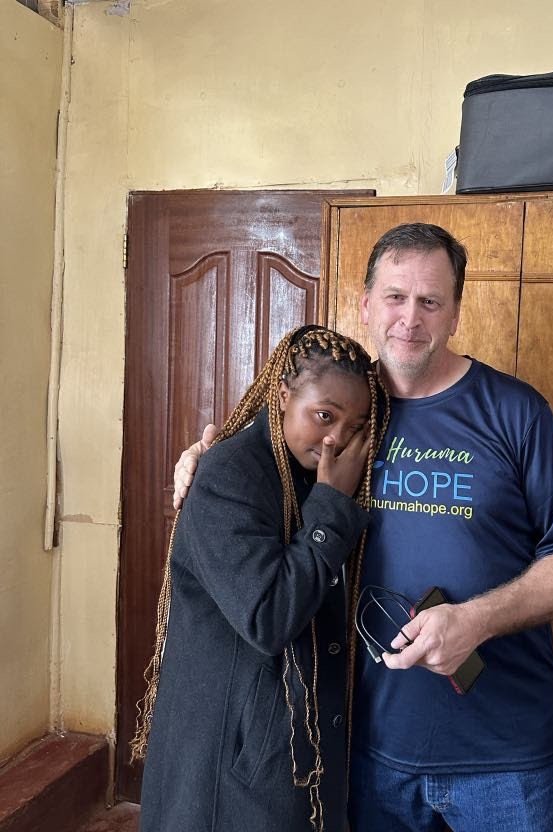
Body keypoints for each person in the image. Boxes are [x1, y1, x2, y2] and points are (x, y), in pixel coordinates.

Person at [173, 224, 553, 832]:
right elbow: (260, 461)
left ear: (455, 312)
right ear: (366, 304)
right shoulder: (341, 408)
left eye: (430, 301)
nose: (410, 318)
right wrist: (205, 454)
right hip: (362, 750)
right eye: (395, 297)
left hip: (502, 756)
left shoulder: (515, 412)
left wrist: (473, 621)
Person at [134, 325, 389, 832]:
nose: (336, 439)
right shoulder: (231, 475)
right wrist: (333, 508)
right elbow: (269, 616)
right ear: (282, 394)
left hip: (278, 758)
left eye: (355, 426)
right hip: (228, 772)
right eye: (323, 416)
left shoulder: (303, 466)